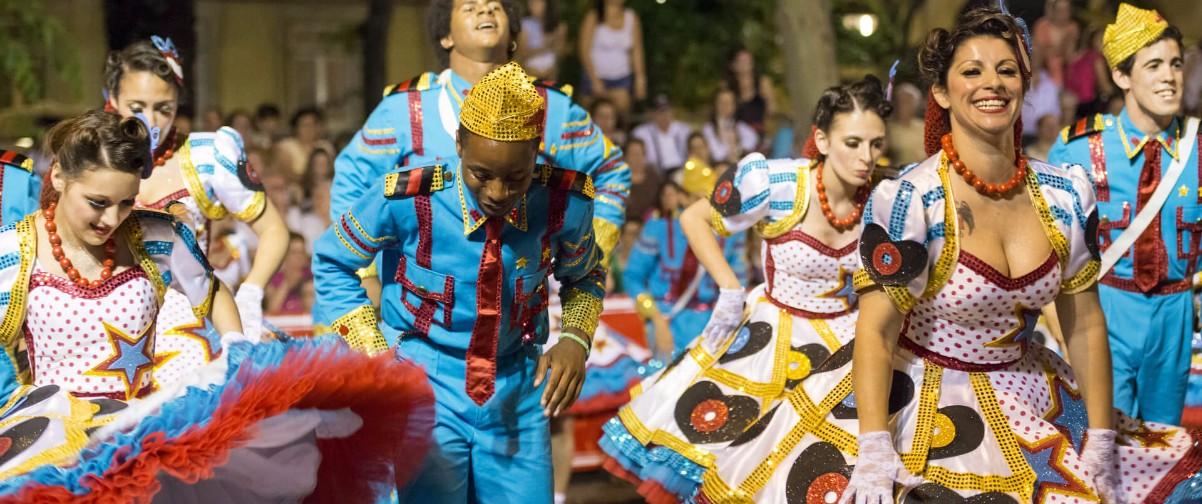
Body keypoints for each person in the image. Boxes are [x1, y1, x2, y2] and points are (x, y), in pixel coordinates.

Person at [699, 7, 1202, 503]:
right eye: (972, 71)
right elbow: (874, 332)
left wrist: (1099, 439)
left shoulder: (1066, 194)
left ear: (1025, 85)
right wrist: (874, 449)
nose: (993, 83)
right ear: (942, 90)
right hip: (921, 406)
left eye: (1008, 70)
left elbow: (1086, 325)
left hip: (1030, 399)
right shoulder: (910, 200)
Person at [0, 110, 434, 502]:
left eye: (126, 202)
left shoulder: (158, 236)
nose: (112, 220)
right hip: (54, 451)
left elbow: (210, 291)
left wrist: (233, 346)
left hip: (136, 442)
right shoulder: (11, 254)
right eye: (97, 203)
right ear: (57, 176)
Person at [314, 62, 608, 503]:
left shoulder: (564, 204)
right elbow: (331, 262)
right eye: (480, 174)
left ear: (536, 155)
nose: (496, 192)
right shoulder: (408, 198)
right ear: (458, 145)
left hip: (518, 392)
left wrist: (575, 340)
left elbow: (585, 275)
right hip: (423, 386)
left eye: (516, 178)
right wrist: (377, 357)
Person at [599, 75, 891, 502]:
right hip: (770, 343)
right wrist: (730, 288)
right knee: (736, 470)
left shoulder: (887, 199)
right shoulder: (777, 183)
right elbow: (694, 218)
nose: (866, 157)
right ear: (823, 140)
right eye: (853, 143)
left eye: (876, 144)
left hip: (847, 350)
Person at [331, 0, 630, 294]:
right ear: (445, 36)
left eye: (495, 6)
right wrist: (364, 274)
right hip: (418, 317)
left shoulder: (551, 105)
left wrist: (589, 255)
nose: (486, 10)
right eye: (470, 7)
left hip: (519, 316)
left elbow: (610, 173)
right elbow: (351, 181)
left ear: (513, 33)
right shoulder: (407, 108)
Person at [103, 38, 290, 375]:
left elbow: (274, 230)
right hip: (110, 329)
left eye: (164, 108)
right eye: (137, 106)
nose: (151, 120)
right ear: (113, 99)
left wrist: (250, 292)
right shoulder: (91, 159)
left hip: (194, 327)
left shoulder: (207, 156)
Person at [1049, 3, 1197, 426]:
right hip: (1105, 306)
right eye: (1153, 66)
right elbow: (1055, 246)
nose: (1168, 76)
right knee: (1106, 437)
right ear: (1121, 76)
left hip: (1176, 312)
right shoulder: (1077, 148)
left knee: (1164, 441)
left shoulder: (1198, 147)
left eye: (1175, 64)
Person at [625, 161, 747, 360]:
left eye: (710, 200)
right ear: (684, 198)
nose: (706, 207)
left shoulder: (732, 236)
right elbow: (633, 277)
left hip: (713, 324)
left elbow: (738, 282)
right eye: (698, 199)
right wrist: (656, 319)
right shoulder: (658, 229)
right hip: (667, 318)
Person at [579, 0, 646, 116]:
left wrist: (640, 78)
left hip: (621, 78)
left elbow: (637, 50)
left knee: (620, 116)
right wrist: (595, 80)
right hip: (594, 77)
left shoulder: (632, 18)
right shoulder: (593, 17)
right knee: (592, 116)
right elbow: (584, 51)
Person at [273, 106, 335, 182]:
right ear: (296, 127)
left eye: (313, 125)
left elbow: (332, 171)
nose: (309, 129)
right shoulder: (285, 146)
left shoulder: (325, 146)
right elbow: (285, 173)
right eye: (305, 125)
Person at [631, 94, 692, 171]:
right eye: (660, 112)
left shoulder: (684, 130)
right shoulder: (641, 133)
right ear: (652, 114)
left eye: (667, 110)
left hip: (682, 171)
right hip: (655, 173)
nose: (664, 115)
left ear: (673, 111)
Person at [726, 47, 776, 138]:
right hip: (737, 136)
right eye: (741, 61)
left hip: (760, 132)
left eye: (748, 60)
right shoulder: (728, 88)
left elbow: (772, 112)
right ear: (733, 65)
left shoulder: (763, 83)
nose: (745, 64)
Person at [702, 88, 759, 165]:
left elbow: (753, 139)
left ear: (735, 106)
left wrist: (738, 150)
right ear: (715, 105)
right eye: (722, 102)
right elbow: (716, 154)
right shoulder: (708, 129)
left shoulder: (741, 127)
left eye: (729, 102)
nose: (726, 106)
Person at [1032, 0, 1080, 86]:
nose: (1063, 13)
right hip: (1043, 70)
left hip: (1064, 71)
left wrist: (1052, 50)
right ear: (1054, 11)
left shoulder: (1073, 27)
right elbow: (1038, 52)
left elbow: (1070, 54)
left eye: (1066, 9)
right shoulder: (1042, 25)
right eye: (1060, 10)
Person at [266, 232, 314, 314]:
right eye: (294, 252)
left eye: (301, 252)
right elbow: (271, 310)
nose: (299, 257)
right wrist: (286, 284)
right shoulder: (273, 279)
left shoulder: (313, 276)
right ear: (284, 255)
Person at [518, 0, 567, 80]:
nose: (531, 5)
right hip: (530, 76)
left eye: (536, 2)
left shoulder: (557, 26)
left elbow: (561, 54)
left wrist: (560, 39)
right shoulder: (525, 24)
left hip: (550, 76)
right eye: (530, 2)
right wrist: (546, 47)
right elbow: (522, 53)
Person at [886, 82, 926, 166]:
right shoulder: (886, 127)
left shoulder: (924, 126)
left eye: (907, 102)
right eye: (899, 101)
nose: (902, 105)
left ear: (916, 105)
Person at [623, 138, 660, 222]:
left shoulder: (653, 176)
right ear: (625, 157)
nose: (637, 158)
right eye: (633, 154)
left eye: (641, 154)